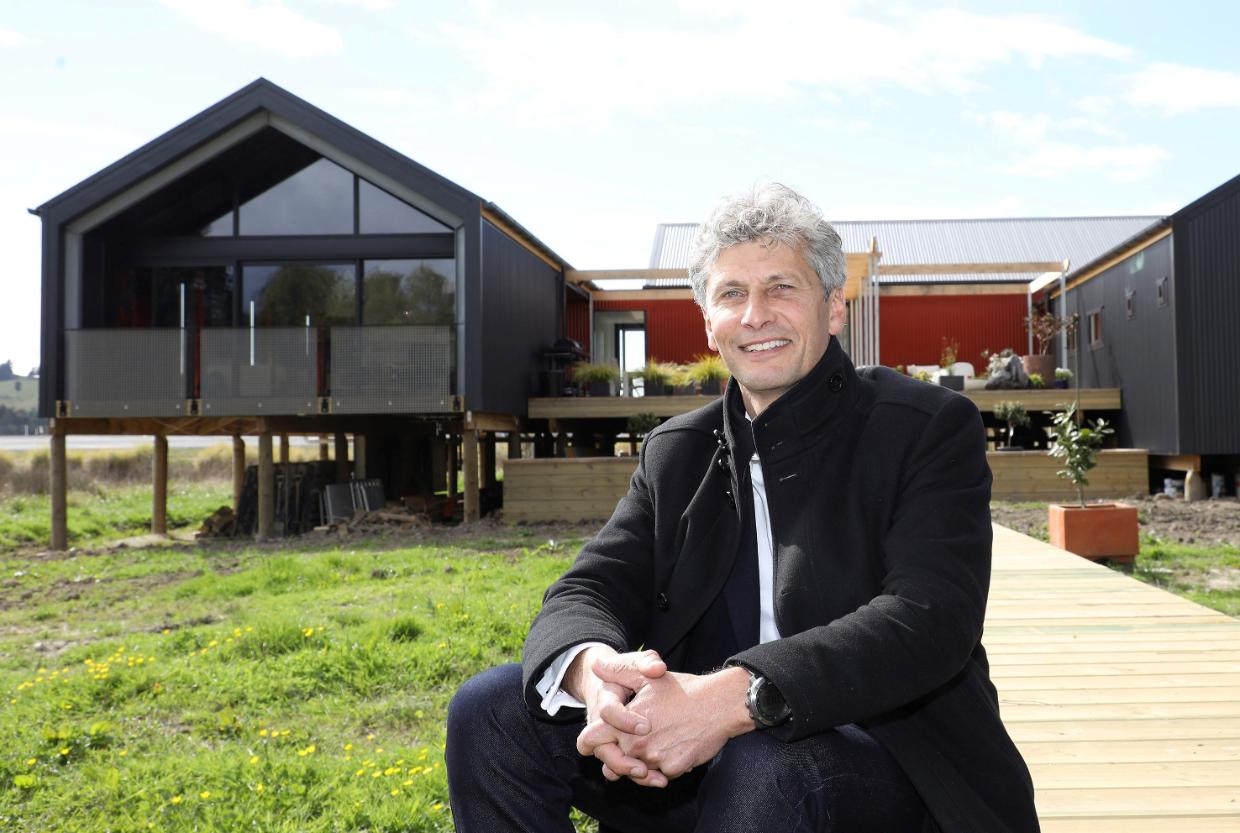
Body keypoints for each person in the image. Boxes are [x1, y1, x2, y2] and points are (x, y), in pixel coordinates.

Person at [446, 183, 1040, 833]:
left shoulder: (922, 428)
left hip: (889, 769)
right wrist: (595, 676)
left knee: (767, 762)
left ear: (833, 308)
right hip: (697, 764)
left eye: (781, 287)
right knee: (490, 710)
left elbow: (929, 620)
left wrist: (732, 698)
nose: (755, 314)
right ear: (708, 320)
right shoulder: (679, 452)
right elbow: (591, 585)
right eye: (732, 293)